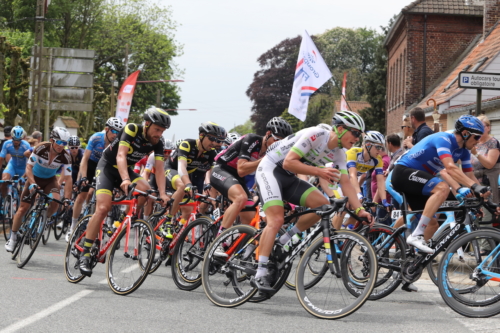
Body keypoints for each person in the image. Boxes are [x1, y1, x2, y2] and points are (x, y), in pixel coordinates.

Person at [251, 111, 374, 293]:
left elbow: (346, 183)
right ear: (340, 129)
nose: (357, 139)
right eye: (355, 133)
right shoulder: (316, 135)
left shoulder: (339, 153)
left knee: (323, 205)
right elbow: (288, 163)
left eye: (360, 135)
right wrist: (319, 172)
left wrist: (360, 209)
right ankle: (260, 273)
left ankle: (285, 240)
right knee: (275, 220)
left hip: (288, 177)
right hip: (270, 170)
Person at [78, 107, 171, 277]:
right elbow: (121, 155)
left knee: (147, 191)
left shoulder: (158, 142)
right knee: (103, 208)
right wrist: (125, 179)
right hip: (107, 167)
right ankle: (85, 252)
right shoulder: (132, 129)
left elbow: (159, 168)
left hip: (126, 171)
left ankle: (123, 220)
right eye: (157, 129)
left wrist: (163, 193)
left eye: (162, 130)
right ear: (147, 124)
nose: (159, 133)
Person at [392, 115, 489, 254]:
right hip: (403, 173)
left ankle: (413, 262)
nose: (478, 142)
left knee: (432, 223)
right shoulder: (443, 139)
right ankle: (416, 235)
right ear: (465, 133)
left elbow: (470, 176)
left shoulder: (464, 152)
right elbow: (450, 167)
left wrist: (481, 197)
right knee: (442, 187)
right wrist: (475, 187)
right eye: (477, 138)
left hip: (419, 182)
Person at [211, 117, 293, 257]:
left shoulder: (274, 152)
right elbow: (242, 169)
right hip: (222, 170)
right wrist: (265, 160)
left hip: (239, 179)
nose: (278, 145)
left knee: (249, 217)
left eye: (282, 143)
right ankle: (217, 242)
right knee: (240, 198)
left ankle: (233, 251)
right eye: (276, 140)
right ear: (267, 134)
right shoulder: (252, 140)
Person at [5, 127, 73, 252]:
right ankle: (13, 238)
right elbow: (29, 167)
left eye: (64, 143)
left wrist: (68, 198)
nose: (61, 146)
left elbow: (68, 179)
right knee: (22, 209)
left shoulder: (66, 156)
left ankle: (44, 219)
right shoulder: (41, 148)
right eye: (59, 142)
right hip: (34, 178)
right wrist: (32, 183)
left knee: (56, 201)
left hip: (50, 180)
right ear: (52, 140)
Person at [161, 122, 226, 238]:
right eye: (211, 138)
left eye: (216, 140)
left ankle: (176, 232)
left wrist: (221, 190)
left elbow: (213, 174)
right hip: (172, 170)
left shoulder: (211, 153)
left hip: (187, 175)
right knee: (182, 186)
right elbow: (181, 167)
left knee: (188, 210)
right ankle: (167, 222)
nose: (214, 143)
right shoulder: (187, 144)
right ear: (201, 135)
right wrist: (188, 184)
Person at [67, 117, 124, 242]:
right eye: (114, 131)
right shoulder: (96, 138)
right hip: (91, 164)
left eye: (119, 133)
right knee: (81, 196)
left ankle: (98, 220)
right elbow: (84, 159)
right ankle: (73, 226)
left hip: (104, 168)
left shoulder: (119, 143)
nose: (116, 135)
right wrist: (84, 177)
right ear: (106, 129)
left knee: (99, 195)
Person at [471, 115, 500, 204]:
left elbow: (489, 164)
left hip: (488, 181)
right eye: (476, 127)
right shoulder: (473, 141)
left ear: (488, 128)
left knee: (489, 207)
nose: (478, 130)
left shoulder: (493, 142)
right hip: (474, 180)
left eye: (481, 127)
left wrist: (475, 153)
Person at [0, 126, 31, 201]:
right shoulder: (7, 144)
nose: (16, 141)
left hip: (24, 167)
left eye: (18, 139)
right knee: (4, 180)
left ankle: (20, 203)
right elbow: (1, 158)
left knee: (22, 189)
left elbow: (29, 162)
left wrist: (25, 176)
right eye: (14, 139)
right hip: (12, 165)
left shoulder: (26, 145)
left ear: (22, 138)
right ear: (11, 137)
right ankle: (4, 201)